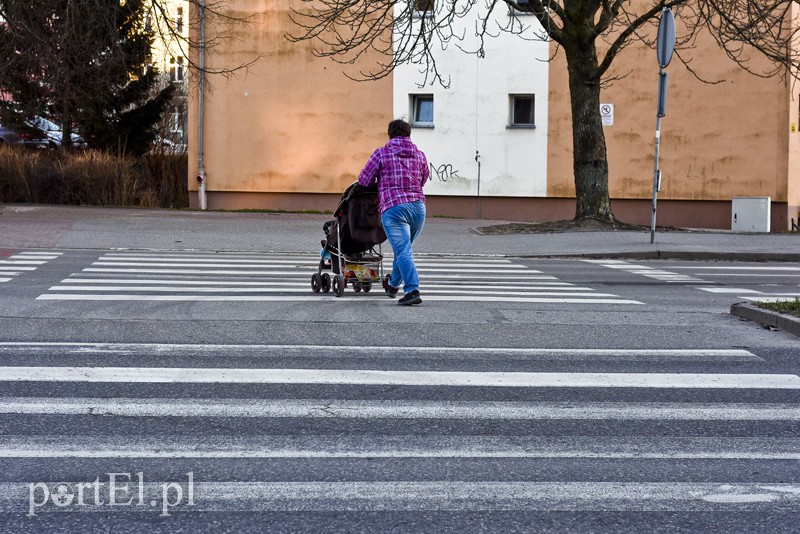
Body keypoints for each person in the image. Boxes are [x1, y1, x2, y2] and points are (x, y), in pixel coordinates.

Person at [358, 119, 429, 306]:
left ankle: (412, 289)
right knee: (403, 250)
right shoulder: (420, 155)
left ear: (390, 135)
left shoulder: (382, 153)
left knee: (403, 251)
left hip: (394, 207)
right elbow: (424, 179)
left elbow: (364, 180)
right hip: (418, 208)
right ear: (409, 134)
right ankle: (393, 285)